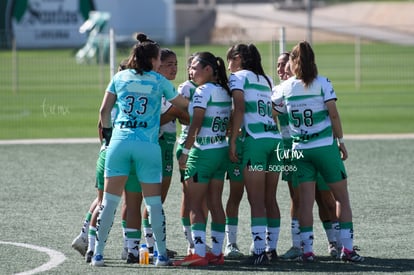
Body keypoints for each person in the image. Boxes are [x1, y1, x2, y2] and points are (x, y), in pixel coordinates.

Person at [91, 32, 188, 267]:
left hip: (119, 142)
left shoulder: (120, 76)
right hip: (147, 145)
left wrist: (108, 134)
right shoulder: (159, 81)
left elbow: (104, 110)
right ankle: (161, 255)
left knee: (109, 202)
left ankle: (98, 254)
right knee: (153, 203)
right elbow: (183, 105)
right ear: (154, 60)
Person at [272, 40, 364, 262]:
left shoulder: (285, 87)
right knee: (341, 198)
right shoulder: (323, 83)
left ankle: (307, 251)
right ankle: (347, 250)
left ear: (293, 63)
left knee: (304, 202)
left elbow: (272, 113)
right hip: (324, 147)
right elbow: (333, 114)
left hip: (299, 149)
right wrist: (340, 140)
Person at [173, 52, 232, 267]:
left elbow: (196, 121)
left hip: (202, 152)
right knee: (215, 203)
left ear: (208, 69)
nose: (191, 72)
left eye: (195, 68)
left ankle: (198, 253)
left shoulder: (202, 91)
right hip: (220, 150)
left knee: (194, 204)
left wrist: (186, 151)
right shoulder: (226, 91)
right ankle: (217, 253)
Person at [227, 43, 283, 265]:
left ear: (238, 58)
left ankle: (259, 251)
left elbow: (239, 108)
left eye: (231, 59)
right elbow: (272, 110)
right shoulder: (267, 78)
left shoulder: (238, 77)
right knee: (270, 198)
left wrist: (232, 140)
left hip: (255, 142)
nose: (229, 65)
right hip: (274, 140)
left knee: (256, 199)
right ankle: (271, 248)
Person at [142, 48, 188, 258]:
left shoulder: (169, 90)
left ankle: (155, 243)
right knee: (153, 199)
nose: (174, 68)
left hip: (167, 148)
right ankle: (149, 244)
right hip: (156, 147)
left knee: (160, 199)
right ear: (157, 66)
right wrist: (175, 113)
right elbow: (156, 120)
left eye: (176, 64)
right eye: (168, 64)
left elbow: (183, 116)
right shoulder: (154, 88)